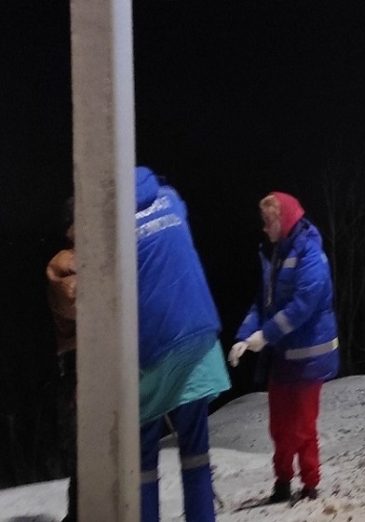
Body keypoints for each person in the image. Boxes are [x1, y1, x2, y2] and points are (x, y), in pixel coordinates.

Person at [229, 191, 339, 503]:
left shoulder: (311, 256)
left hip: (309, 358)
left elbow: (302, 305)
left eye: (268, 222)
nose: (264, 228)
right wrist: (245, 335)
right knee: (280, 426)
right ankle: (282, 482)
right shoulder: (274, 255)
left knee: (303, 426)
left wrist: (264, 336)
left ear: (284, 220)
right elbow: (263, 304)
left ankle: (310, 484)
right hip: (284, 356)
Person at [135, 166, 231, 522]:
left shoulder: (112, 219)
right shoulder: (171, 200)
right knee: (195, 450)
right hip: (198, 334)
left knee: (141, 458)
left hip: (152, 344)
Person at [46, 197, 77, 522]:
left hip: (98, 363)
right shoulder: (64, 263)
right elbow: (78, 302)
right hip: (77, 361)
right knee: (83, 446)